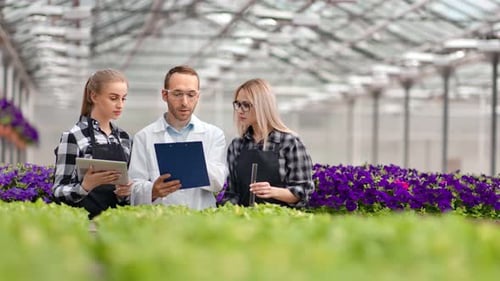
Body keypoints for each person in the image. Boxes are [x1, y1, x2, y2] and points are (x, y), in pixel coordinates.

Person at [128, 65, 226, 209]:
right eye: (177, 94)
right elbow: (133, 186)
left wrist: (191, 162)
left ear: (198, 96)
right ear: (164, 95)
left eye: (191, 95)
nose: (185, 102)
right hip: (160, 224)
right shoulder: (144, 137)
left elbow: (218, 182)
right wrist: (152, 191)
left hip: (201, 223)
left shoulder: (214, 135)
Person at [220, 78, 314, 208]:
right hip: (242, 224)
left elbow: (303, 192)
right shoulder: (237, 145)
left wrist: (273, 191)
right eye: (238, 104)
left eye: (246, 105)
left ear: (262, 106)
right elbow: (232, 193)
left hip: (281, 223)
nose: (240, 110)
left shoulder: (289, 142)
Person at [52, 69, 132, 219]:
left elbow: (126, 197)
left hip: (118, 226)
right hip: (82, 225)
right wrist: (85, 187)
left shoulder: (124, 138)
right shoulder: (74, 136)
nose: (120, 105)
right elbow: (58, 191)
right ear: (94, 96)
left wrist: (125, 193)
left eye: (123, 98)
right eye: (113, 98)